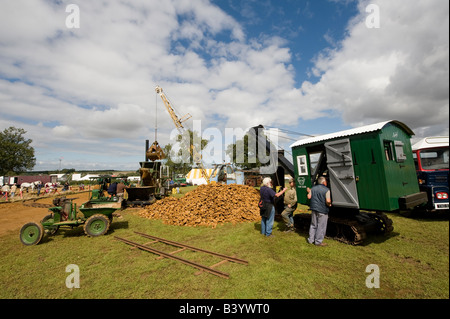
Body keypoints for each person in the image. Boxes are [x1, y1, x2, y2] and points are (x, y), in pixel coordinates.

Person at [306, 176, 332, 246]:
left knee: (313, 225)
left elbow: (309, 197)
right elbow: (328, 201)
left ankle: (310, 240)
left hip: (314, 209)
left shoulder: (313, 188)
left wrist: (309, 191)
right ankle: (318, 242)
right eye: (326, 181)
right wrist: (329, 204)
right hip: (322, 210)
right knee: (321, 226)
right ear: (324, 182)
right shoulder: (327, 190)